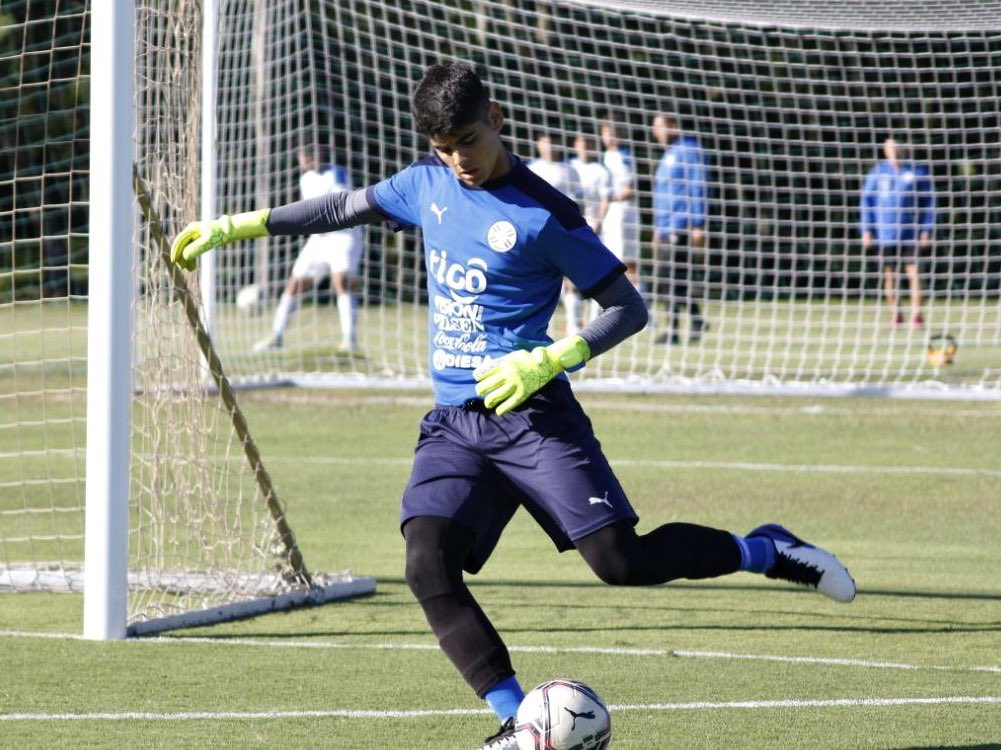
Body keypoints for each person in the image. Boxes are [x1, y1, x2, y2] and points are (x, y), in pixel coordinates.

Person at [169, 61, 856, 750]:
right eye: (443, 148)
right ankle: (514, 719)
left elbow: (627, 308)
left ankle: (767, 550)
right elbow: (339, 208)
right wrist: (238, 225)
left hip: (534, 418)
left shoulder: (545, 212)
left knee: (621, 563)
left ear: (494, 119)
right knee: (424, 561)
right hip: (454, 422)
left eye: (467, 140)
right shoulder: (425, 184)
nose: (457, 160)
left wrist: (553, 356)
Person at [253, 146, 363, 354]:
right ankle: (276, 336)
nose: (302, 162)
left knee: (341, 282)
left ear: (317, 155)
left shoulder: (336, 173)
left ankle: (350, 340)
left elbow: (339, 205)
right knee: (295, 284)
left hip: (344, 235)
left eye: (305, 157)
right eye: (300, 158)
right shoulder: (306, 179)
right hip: (320, 238)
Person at [860, 137, 936, 329]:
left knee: (915, 273)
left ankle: (917, 316)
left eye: (897, 146)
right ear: (885, 150)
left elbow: (929, 203)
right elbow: (866, 201)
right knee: (890, 275)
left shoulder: (916, 172)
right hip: (886, 233)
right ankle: (896, 315)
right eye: (890, 147)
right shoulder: (878, 172)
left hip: (911, 232)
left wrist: (927, 229)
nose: (894, 150)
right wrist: (866, 229)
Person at [651, 113, 709, 345]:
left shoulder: (688, 150)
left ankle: (675, 330)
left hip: (681, 225)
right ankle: (694, 320)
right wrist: (657, 227)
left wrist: (698, 223)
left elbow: (698, 185)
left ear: (673, 126)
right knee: (672, 280)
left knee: (671, 278)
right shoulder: (668, 154)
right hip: (665, 227)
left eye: (660, 127)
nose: (656, 132)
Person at [527, 131, 584, 336]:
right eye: (545, 140)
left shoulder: (570, 170)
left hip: (563, 230)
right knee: (539, 280)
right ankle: (540, 325)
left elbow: (578, 202)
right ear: (538, 143)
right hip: (535, 234)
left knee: (569, 279)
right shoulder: (531, 169)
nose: (550, 145)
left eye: (554, 141)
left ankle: (574, 325)